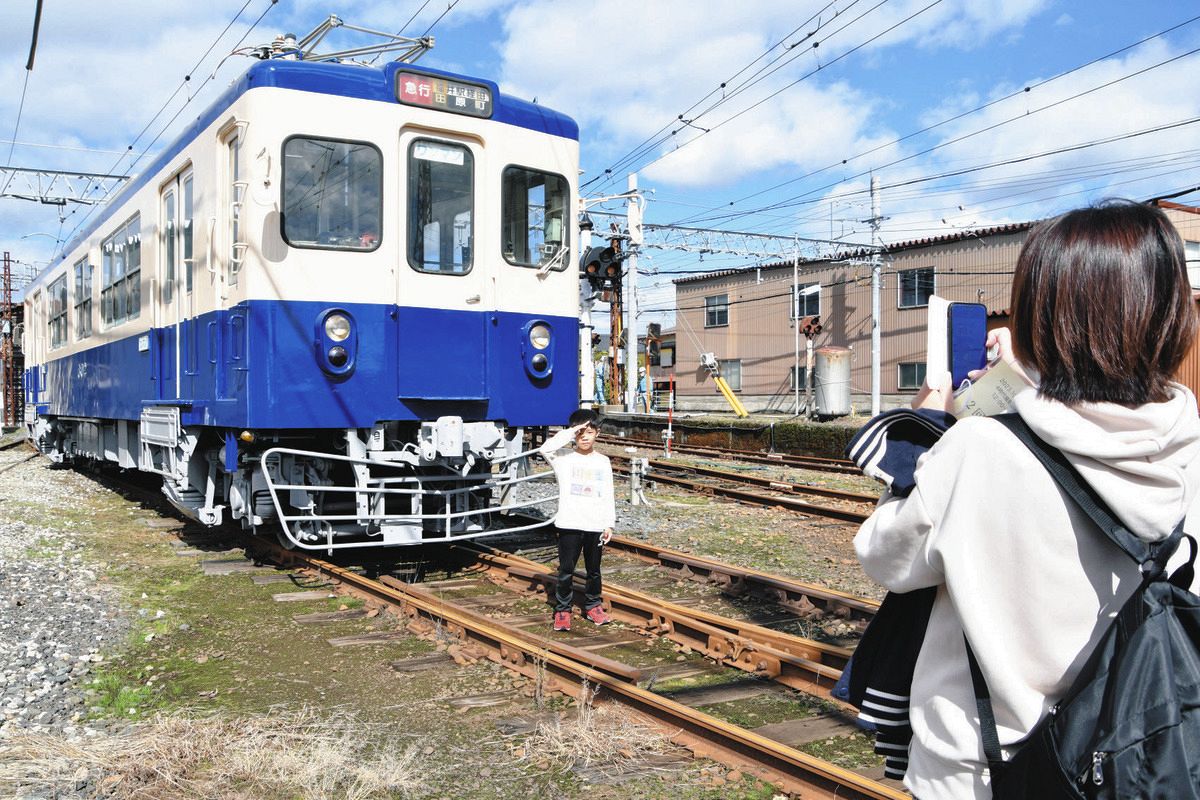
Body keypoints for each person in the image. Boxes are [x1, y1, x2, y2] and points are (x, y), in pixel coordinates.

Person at [853, 200, 1200, 799]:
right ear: (1171, 315)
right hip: (1143, 763)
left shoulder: (979, 448)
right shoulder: (1188, 447)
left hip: (985, 773)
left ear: (1037, 318)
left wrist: (929, 431)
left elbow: (885, 557)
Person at [539, 408, 616, 631]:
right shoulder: (563, 458)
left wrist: (609, 523)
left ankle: (593, 605)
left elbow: (608, 493)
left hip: (595, 524)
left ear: (597, 433)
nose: (584, 437)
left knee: (594, 570)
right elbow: (545, 448)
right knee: (566, 570)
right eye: (580, 433)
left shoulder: (603, 461)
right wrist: (572, 430)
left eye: (589, 432)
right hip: (569, 523)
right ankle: (563, 610)